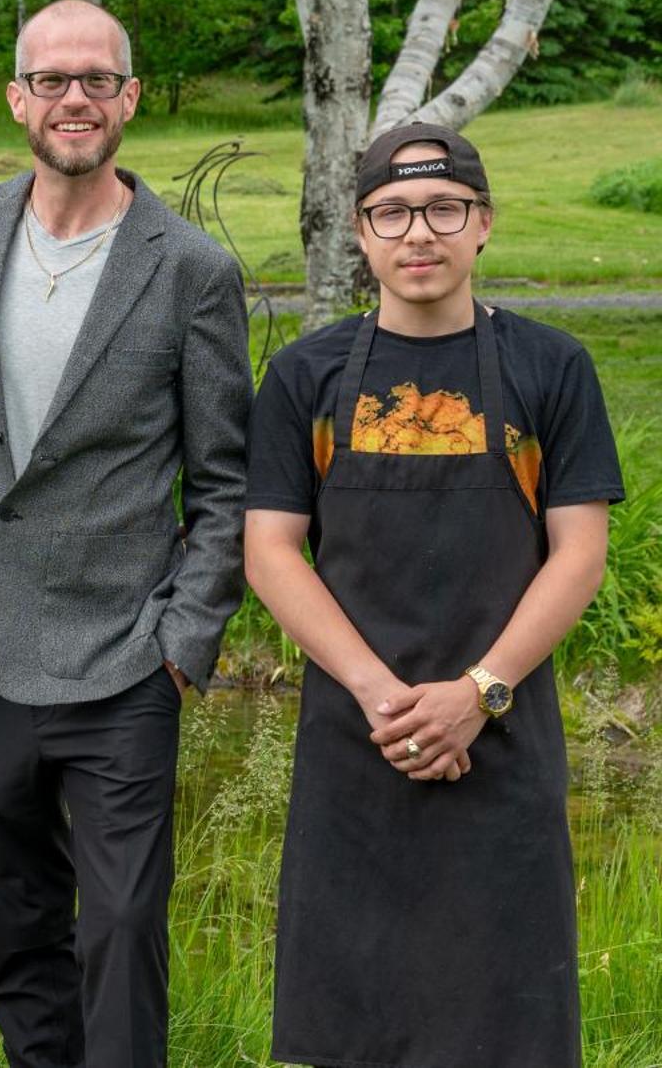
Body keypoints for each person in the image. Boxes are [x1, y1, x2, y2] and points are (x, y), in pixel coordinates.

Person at [0, 0, 251, 1067]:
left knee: (116, 925)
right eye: (50, 80)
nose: (73, 98)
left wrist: (181, 645)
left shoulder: (190, 267)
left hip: (119, 662)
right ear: (16, 98)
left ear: (128, 98)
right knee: (12, 929)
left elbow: (224, 479)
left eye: (94, 80)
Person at [244, 124, 620, 1068]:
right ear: (361, 233)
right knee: (355, 1028)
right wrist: (384, 696)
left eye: (444, 209)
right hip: (355, 744)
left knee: (508, 1028)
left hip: (502, 737)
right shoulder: (306, 377)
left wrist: (478, 693)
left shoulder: (552, 367)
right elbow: (272, 552)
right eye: (393, 213)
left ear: (483, 224)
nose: (420, 233)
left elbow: (578, 554)